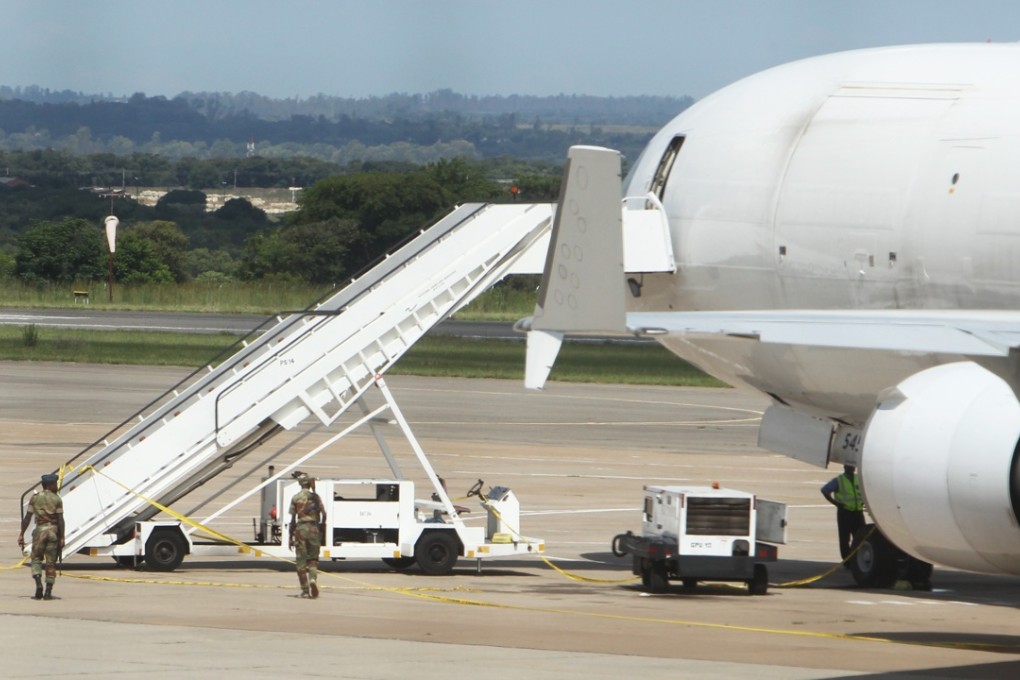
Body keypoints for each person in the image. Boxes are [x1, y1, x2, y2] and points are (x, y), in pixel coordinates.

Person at [17, 473, 65, 600]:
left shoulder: (34, 498)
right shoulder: (57, 499)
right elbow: (60, 520)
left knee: (36, 559)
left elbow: (27, 518)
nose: (56, 486)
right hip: (53, 531)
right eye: (55, 484)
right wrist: (62, 537)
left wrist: (22, 533)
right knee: (50, 563)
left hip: (39, 531)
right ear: (49, 485)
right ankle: (48, 592)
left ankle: (38, 584)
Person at [288, 473, 325, 599]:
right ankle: (313, 579)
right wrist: (321, 528)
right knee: (313, 559)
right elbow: (324, 514)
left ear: (300, 483)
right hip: (314, 528)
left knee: (301, 562)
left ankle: (305, 590)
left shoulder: (296, 498)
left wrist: (290, 536)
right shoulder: (316, 497)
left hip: (301, 529)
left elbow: (292, 519)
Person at [821, 464, 865, 562]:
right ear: (845, 467)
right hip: (845, 513)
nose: (852, 468)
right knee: (845, 539)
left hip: (858, 512)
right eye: (850, 466)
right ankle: (847, 561)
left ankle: (856, 559)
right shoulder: (839, 480)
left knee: (861, 538)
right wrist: (836, 503)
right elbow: (825, 490)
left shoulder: (858, 479)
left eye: (853, 466)